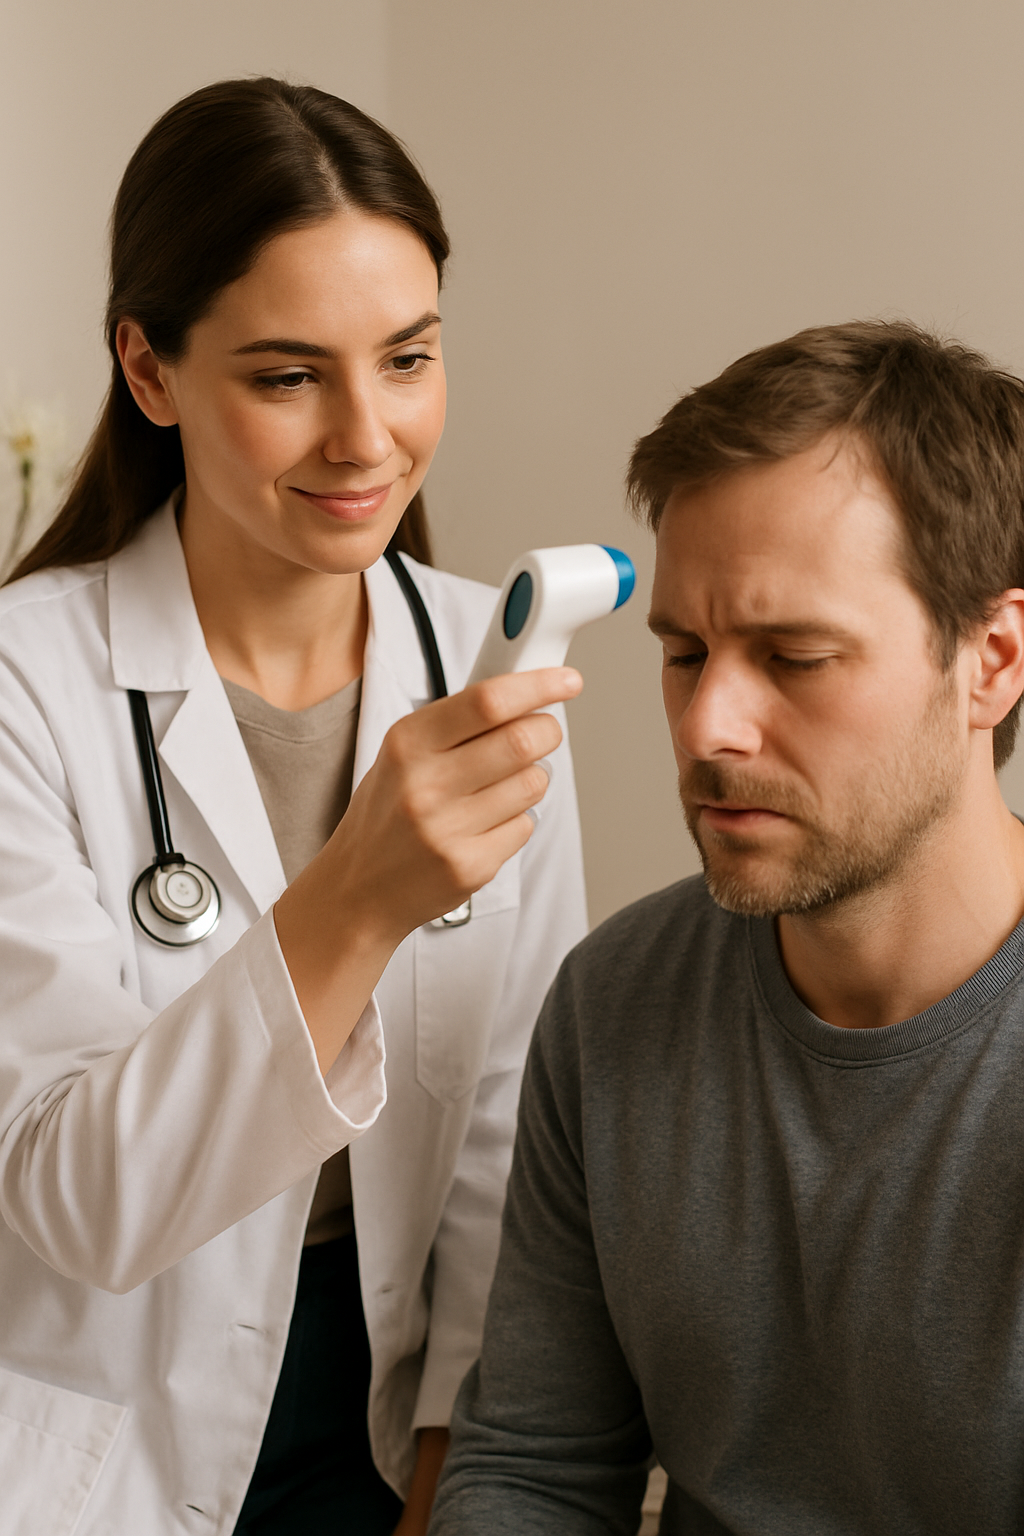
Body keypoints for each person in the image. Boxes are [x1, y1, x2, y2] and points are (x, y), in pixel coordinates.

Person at [0, 79, 587, 1535]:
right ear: (150, 369)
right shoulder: (25, 687)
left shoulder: (490, 662)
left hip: (381, 1416)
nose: (366, 436)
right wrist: (359, 891)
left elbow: (516, 1117)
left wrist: (461, 1448)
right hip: (84, 1441)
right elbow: (81, 1202)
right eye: (285, 376)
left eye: (407, 358)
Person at [428, 320, 1024, 1536]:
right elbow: (534, 1471)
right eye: (683, 654)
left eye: (792, 657)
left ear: (993, 660)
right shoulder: (614, 1003)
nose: (708, 728)